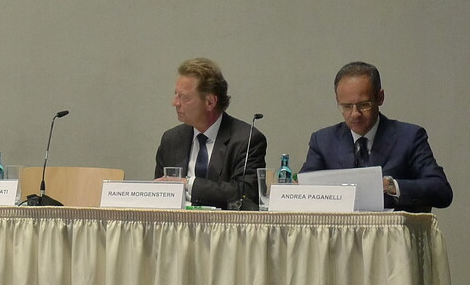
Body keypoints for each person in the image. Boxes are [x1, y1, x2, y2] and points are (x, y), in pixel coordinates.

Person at [299, 62, 451, 212]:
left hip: (392, 227)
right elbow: (303, 191)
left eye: (364, 105)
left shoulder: (409, 137)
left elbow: (441, 190)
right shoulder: (323, 141)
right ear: (337, 101)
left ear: (380, 97)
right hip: (337, 228)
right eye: (347, 106)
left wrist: (391, 186)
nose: (355, 114)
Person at [154, 58, 266, 210]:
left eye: (184, 97)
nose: (175, 103)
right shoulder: (171, 140)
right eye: (176, 95)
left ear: (210, 102)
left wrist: (189, 184)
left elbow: (244, 194)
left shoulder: (246, 140)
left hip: (224, 224)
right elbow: (159, 195)